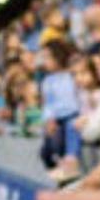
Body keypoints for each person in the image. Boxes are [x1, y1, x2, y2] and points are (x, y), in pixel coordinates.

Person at [38, 39, 83, 182]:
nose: (44, 61)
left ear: (58, 56)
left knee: (70, 131)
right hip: (57, 119)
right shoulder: (47, 81)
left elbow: (78, 96)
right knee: (47, 150)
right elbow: (48, 104)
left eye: (47, 57)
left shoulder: (72, 75)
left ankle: (70, 166)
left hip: (72, 115)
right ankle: (59, 173)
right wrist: (48, 119)